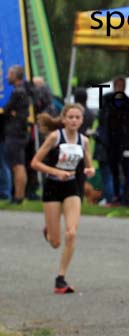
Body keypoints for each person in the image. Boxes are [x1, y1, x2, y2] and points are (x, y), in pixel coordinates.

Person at [31, 104, 94, 293]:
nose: (74, 121)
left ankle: (61, 279)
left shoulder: (84, 141)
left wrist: (90, 171)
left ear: (82, 120)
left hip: (71, 187)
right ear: (64, 119)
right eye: (71, 117)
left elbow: (88, 166)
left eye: (78, 118)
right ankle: (49, 232)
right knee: (55, 242)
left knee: (72, 233)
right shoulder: (55, 137)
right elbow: (35, 163)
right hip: (52, 187)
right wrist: (56, 172)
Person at [98, 76, 129, 205]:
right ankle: (115, 196)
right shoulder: (107, 100)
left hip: (125, 142)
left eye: (122, 85)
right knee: (113, 170)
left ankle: (126, 197)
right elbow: (102, 119)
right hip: (111, 142)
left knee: (127, 171)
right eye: (118, 85)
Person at [2, 65, 32, 204]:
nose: (7, 77)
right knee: (19, 164)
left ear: (16, 75)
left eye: (9, 74)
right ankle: (19, 195)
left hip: (16, 132)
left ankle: (18, 196)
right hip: (20, 132)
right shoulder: (22, 91)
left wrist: (9, 113)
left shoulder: (18, 92)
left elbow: (6, 110)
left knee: (17, 165)